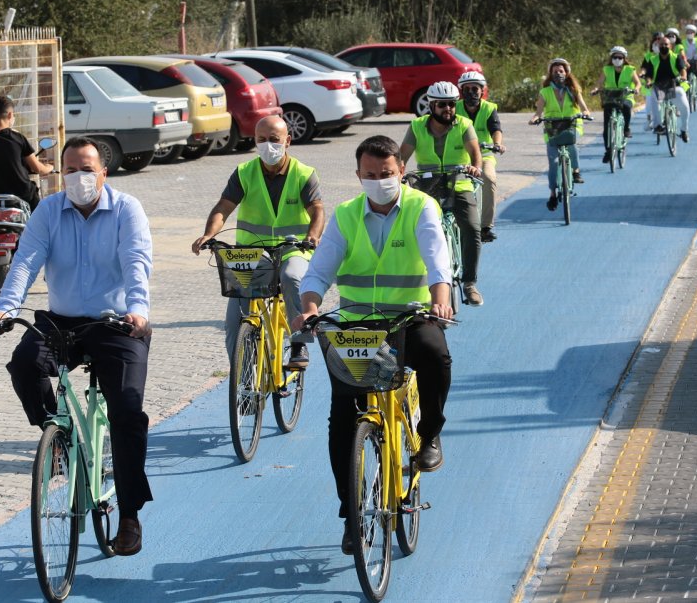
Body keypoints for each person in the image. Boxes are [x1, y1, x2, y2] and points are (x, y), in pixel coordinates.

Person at [0, 136, 154, 557]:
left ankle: (129, 515)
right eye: (70, 169)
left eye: (87, 169)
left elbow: (136, 261)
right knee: (24, 364)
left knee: (128, 411)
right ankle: (58, 438)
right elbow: (25, 262)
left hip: (117, 324)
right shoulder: (48, 210)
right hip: (62, 322)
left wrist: (138, 310)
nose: (78, 177)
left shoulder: (126, 209)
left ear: (103, 172)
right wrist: (4, 309)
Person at [292, 135, 454, 555]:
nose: (379, 181)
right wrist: (309, 307)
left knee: (436, 356)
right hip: (359, 328)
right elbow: (320, 268)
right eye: (370, 175)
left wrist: (441, 297)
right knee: (343, 419)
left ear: (401, 171)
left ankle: (430, 433)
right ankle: (351, 514)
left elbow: (437, 255)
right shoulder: (346, 215)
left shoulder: (421, 207)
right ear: (358, 175)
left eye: (387, 174)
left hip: (412, 318)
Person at [191, 115, 324, 367]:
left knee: (293, 277)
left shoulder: (304, 174)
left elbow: (317, 209)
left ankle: (299, 342)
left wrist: (312, 236)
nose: (267, 145)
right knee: (234, 319)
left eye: (274, 139)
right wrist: (209, 234)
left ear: (288, 141)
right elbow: (223, 207)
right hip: (252, 253)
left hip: (292, 250)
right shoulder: (244, 172)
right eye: (261, 140)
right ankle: (241, 375)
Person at [400, 81, 484, 307]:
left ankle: (469, 283)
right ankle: (420, 281)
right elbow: (401, 158)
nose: (448, 109)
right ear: (431, 106)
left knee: (472, 228)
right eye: (442, 105)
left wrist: (476, 167)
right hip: (428, 189)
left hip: (459, 186)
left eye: (451, 104)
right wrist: (396, 174)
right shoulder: (417, 126)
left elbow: (476, 154)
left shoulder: (464, 124)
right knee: (417, 231)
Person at [529, 57, 592, 209]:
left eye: (561, 71)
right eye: (555, 71)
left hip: (571, 124)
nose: (558, 74)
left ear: (567, 73)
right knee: (554, 163)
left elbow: (584, 107)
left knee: (571, 145)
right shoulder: (545, 92)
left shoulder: (574, 90)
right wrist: (535, 119)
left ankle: (576, 171)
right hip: (553, 128)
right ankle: (552, 194)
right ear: (550, 74)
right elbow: (538, 112)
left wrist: (586, 113)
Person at [0, 95, 53, 211]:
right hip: (22, 194)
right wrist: (48, 167)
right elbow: (37, 168)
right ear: (10, 115)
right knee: (39, 218)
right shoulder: (18, 138)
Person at [455, 71, 506, 243]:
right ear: (461, 91)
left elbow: (496, 129)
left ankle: (486, 227)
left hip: (484, 154)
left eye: (475, 89)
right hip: (460, 155)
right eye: (467, 89)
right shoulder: (455, 108)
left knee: (489, 179)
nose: (471, 93)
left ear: (482, 90)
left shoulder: (489, 108)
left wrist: (497, 144)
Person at [590, 46, 641, 163]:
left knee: (627, 107)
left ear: (624, 58)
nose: (617, 59)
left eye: (620, 57)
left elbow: (637, 83)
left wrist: (637, 89)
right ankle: (608, 151)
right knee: (606, 126)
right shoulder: (606, 69)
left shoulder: (630, 69)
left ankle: (626, 128)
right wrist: (595, 89)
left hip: (625, 95)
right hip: (610, 96)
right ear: (611, 58)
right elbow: (599, 83)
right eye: (615, 57)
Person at [640, 34, 690, 143]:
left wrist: (683, 77)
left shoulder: (676, 57)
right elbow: (649, 75)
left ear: (670, 46)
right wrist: (648, 82)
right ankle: (658, 125)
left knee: (685, 107)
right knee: (655, 98)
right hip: (660, 87)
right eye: (661, 44)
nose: (663, 46)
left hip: (674, 86)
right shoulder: (653, 59)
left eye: (666, 44)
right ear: (658, 47)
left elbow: (682, 69)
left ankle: (684, 130)